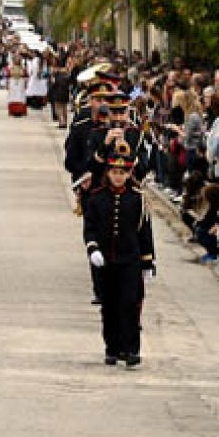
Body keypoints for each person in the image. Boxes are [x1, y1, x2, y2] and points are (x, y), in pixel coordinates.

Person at [84, 139, 155, 367]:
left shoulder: (137, 199)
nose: (118, 176)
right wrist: (93, 248)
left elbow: (145, 232)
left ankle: (131, 349)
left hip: (130, 261)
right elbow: (90, 228)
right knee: (110, 306)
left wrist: (148, 263)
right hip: (105, 262)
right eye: (114, 172)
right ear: (109, 172)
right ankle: (112, 347)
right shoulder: (97, 197)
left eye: (122, 173)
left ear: (128, 173)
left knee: (130, 304)